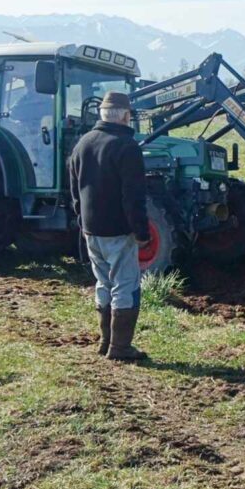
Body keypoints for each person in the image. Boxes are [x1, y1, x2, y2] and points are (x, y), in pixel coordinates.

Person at [68, 91, 151, 362]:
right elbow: (133, 195)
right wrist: (141, 232)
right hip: (118, 230)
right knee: (125, 285)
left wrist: (82, 222)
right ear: (126, 116)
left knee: (103, 282)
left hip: (91, 229)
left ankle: (105, 341)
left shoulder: (83, 143)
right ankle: (120, 348)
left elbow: (75, 189)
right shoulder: (127, 147)